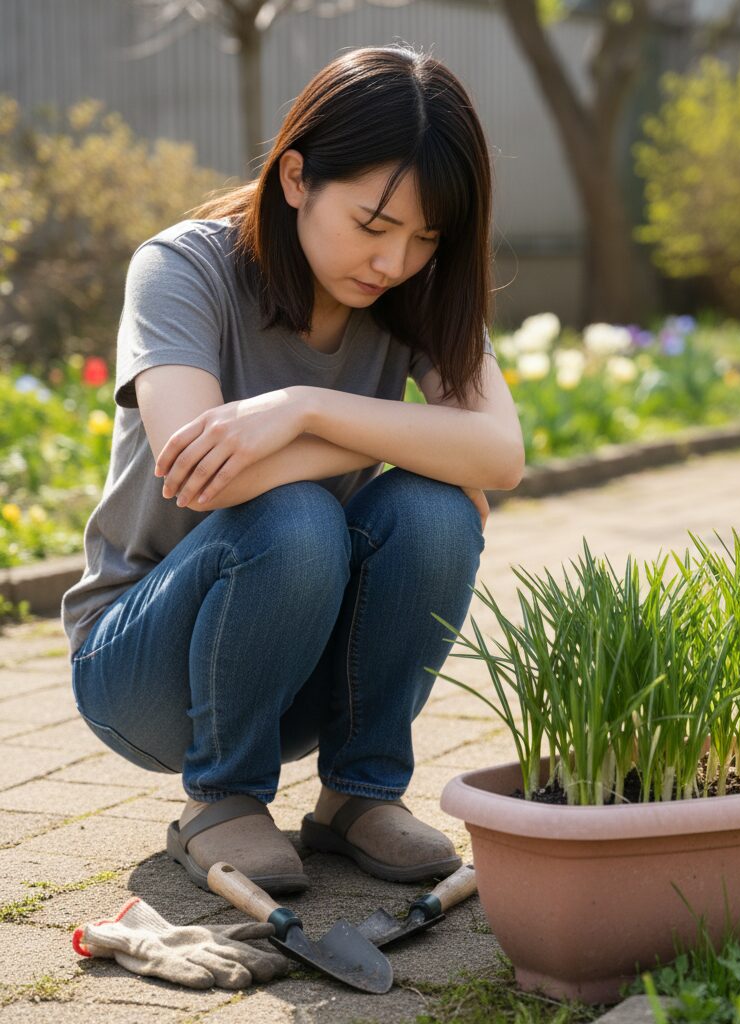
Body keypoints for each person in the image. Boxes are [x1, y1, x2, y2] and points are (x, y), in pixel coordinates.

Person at [60, 45, 524, 895]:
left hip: (300, 663)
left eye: (427, 239)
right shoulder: (182, 268)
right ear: (298, 178)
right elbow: (204, 476)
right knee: (298, 513)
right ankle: (221, 799)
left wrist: (304, 410)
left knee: (435, 511)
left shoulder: (412, 294)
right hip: (143, 667)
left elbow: (501, 454)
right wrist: (410, 436)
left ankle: (359, 795)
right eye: (375, 226)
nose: (393, 263)